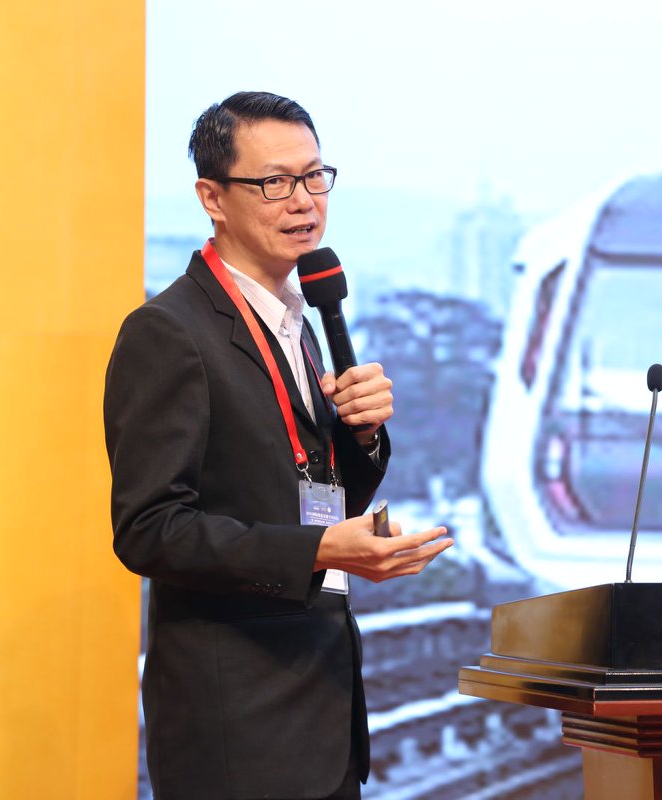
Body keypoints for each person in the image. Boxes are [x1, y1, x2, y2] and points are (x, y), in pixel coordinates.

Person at [104, 91, 454, 800]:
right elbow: (149, 530)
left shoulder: (300, 320)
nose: (303, 201)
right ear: (213, 196)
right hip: (235, 723)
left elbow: (308, 494)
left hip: (320, 713)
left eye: (314, 176)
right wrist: (319, 552)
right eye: (274, 182)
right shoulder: (170, 333)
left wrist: (363, 437)